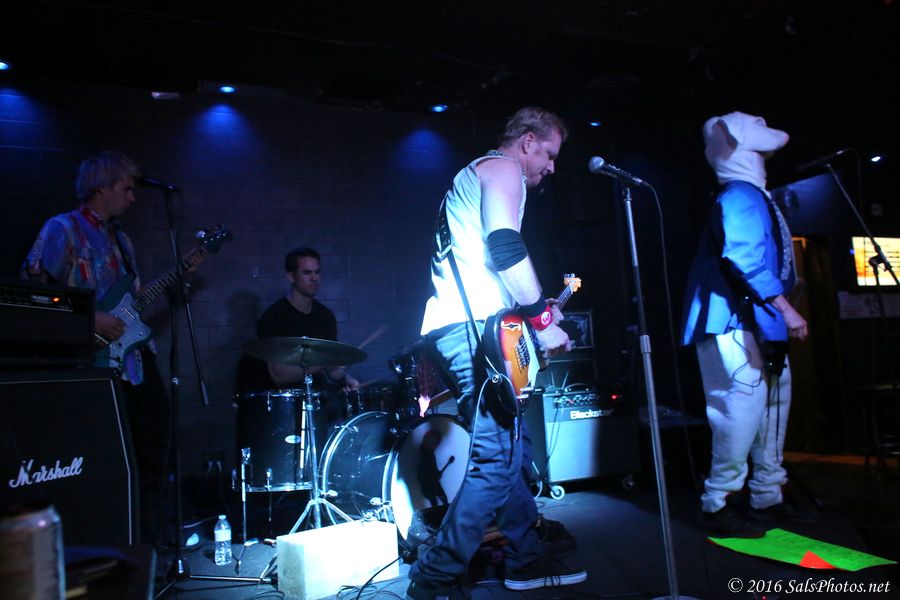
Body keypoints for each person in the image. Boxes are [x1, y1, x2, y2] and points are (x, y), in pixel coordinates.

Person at [408, 107, 587, 600]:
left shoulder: (474, 177)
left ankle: (524, 556)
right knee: (494, 459)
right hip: (472, 332)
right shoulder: (503, 168)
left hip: (462, 328)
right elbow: (505, 247)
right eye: (549, 153)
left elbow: (488, 261)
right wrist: (543, 322)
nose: (551, 166)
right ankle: (434, 577)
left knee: (510, 450)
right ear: (527, 141)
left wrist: (533, 314)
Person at [22, 151, 171, 550]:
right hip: (87, 365)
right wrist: (90, 319)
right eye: (126, 188)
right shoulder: (62, 229)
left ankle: (148, 545)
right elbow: (33, 292)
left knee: (155, 445)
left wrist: (170, 284)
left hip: (134, 361)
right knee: (102, 458)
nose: (132, 197)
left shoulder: (121, 240)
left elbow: (130, 300)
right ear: (102, 187)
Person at [681, 112, 810, 537]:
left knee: (772, 405)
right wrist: (786, 309)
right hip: (733, 320)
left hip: (756, 321)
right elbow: (742, 255)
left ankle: (766, 494)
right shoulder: (739, 195)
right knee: (738, 410)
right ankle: (718, 502)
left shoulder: (749, 194)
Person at [252, 247, 359, 423]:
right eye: (307, 273)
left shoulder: (325, 316)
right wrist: (325, 363)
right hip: (285, 407)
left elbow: (332, 372)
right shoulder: (273, 317)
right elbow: (278, 375)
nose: (314, 278)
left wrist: (345, 379)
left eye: (317, 272)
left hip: (319, 402)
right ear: (291, 276)